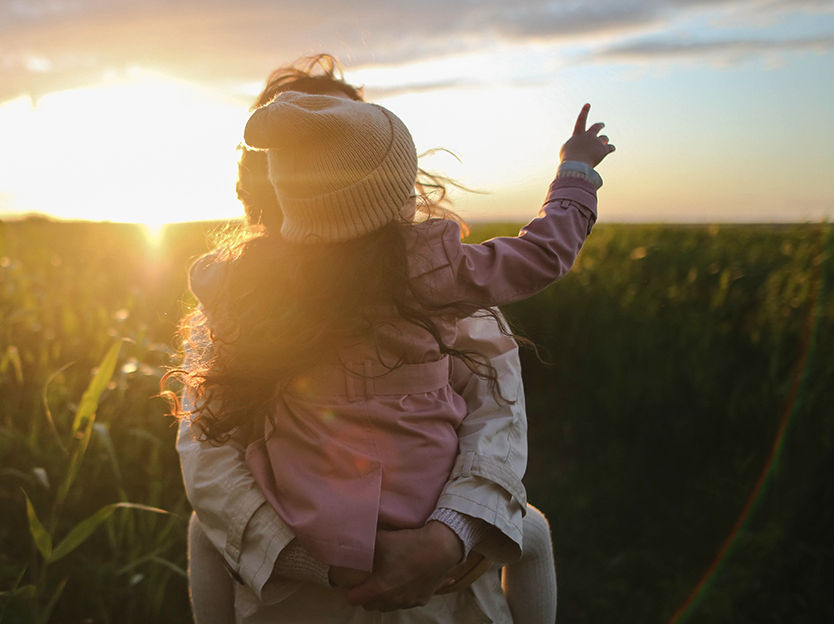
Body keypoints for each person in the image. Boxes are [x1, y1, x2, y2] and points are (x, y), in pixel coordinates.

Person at [174, 56, 609, 622]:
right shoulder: (438, 273)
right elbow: (543, 254)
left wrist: (444, 538)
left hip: (360, 537)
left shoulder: (246, 284)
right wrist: (575, 174)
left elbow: (495, 418)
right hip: (362, 546)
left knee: (201, 530)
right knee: (535, 532)